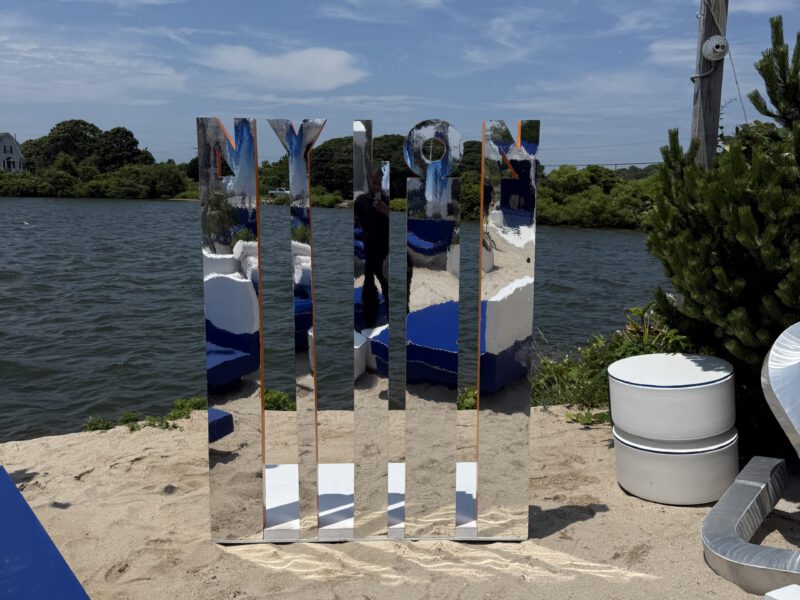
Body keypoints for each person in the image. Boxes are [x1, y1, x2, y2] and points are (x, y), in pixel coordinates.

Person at [354, 169, 389, 329]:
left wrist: (385, 210)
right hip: (367, 252)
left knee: (386, 284)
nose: (376, 186)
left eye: (379, 183)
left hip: (384, 252)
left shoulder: (387, 200)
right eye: (374, 182)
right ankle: (369, 322)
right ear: (368, 182)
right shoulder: (360, 201)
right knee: (368, 286)